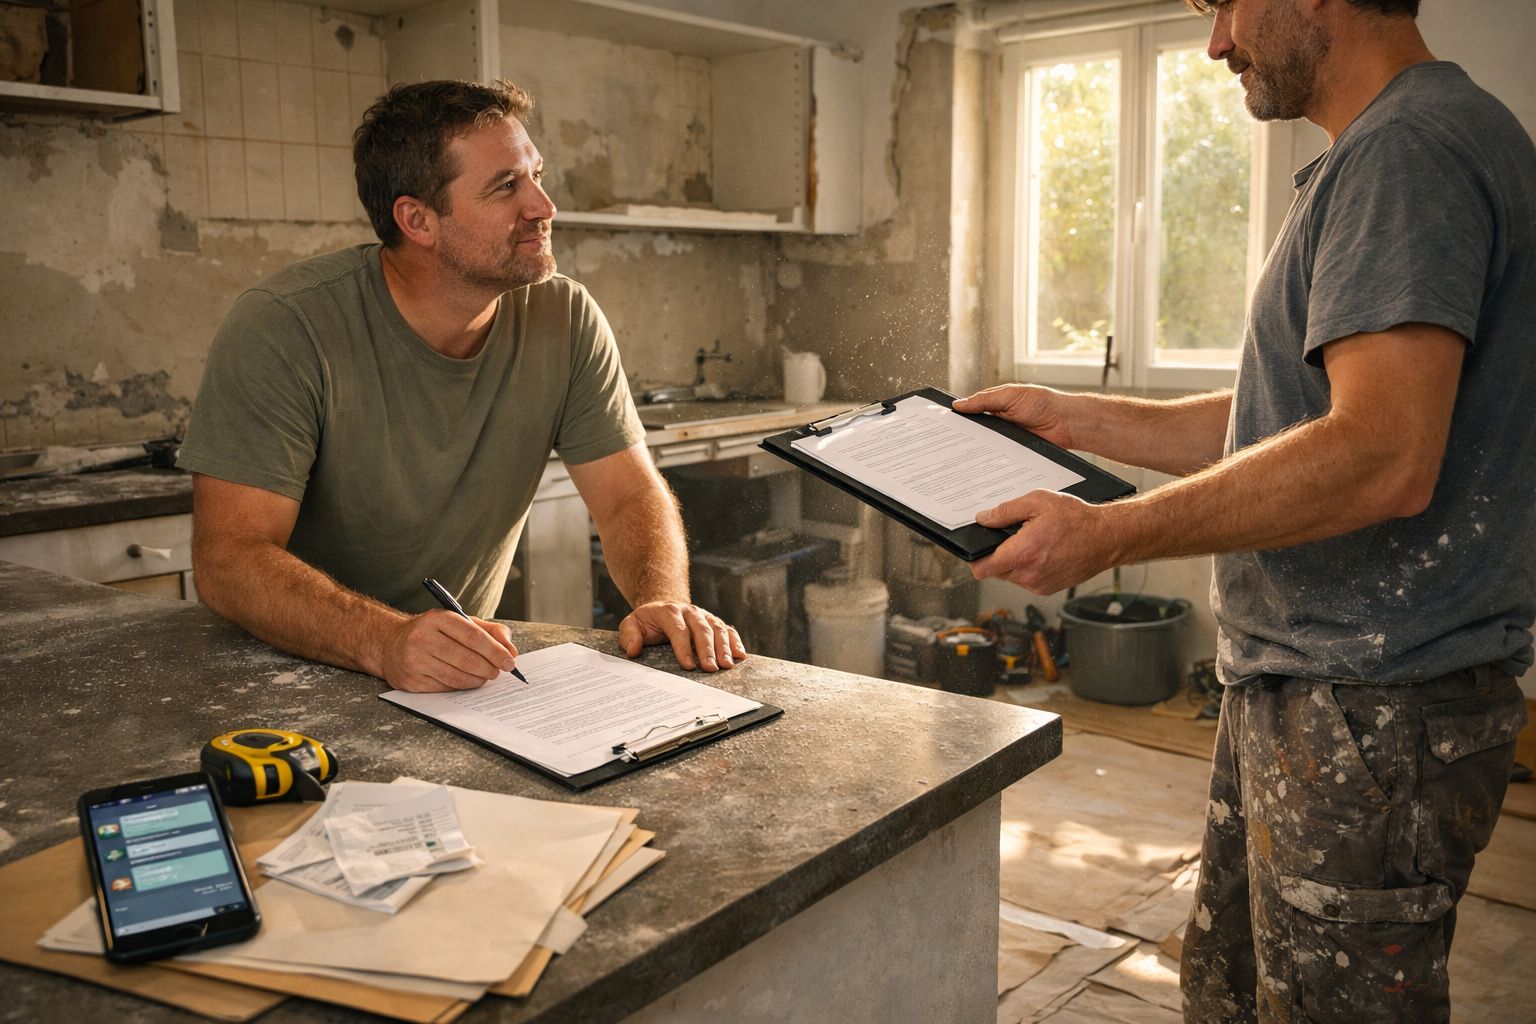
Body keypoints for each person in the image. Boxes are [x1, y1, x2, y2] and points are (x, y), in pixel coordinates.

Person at [956, 0, 1534, 1020]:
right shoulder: (1400, 145)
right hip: (1323, 694)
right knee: (1231, 990)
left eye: (1223, 2)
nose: (1217, 40)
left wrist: (1111, 531)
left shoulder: (1407, 151)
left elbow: (1382, 454)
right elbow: (1292, 418)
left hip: (1370, 708)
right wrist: (1071, 417)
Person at [178, 79, 745, 694]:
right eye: (506, 187)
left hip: (461, 684)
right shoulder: (285, 325)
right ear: (416, 219)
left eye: (536, 174)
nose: (543, 205)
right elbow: (228, 559)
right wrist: (385, 639)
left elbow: (628, 495)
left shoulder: (565, 316)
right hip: (293, 675)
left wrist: (663, 598)